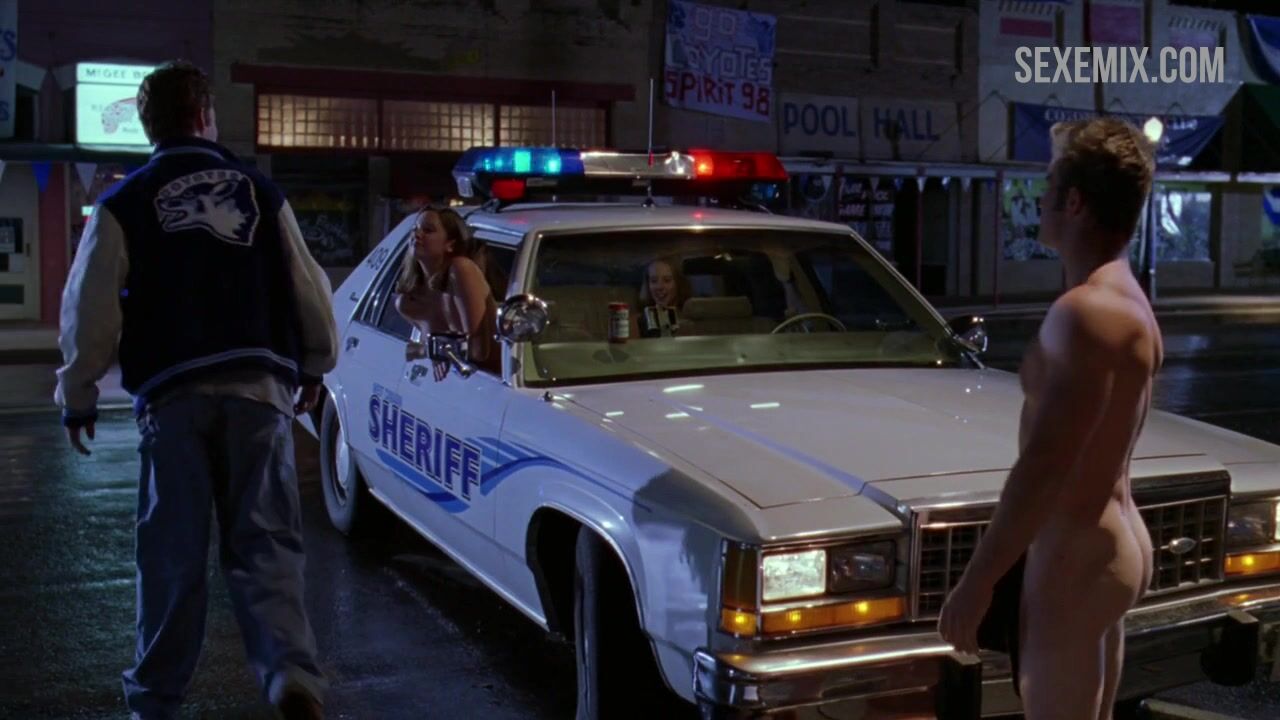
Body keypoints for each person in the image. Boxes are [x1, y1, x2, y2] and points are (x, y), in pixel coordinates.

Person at [53, 61, 336, 720]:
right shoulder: (260, 192)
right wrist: (316, 363)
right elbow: (308, 287)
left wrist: (79, 393)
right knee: (267, 544)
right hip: (259, 390)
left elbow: (89, 308)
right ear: (207, 116)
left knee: (171, 557)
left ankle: (155, 701)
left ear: (148, 126)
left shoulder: (125, 202)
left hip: (174, 395)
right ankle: (290, 675)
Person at [938, 117, 1161, 719]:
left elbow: (1044, 466)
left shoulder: (1085, 312)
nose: (1038, 199)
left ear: (1075, 202)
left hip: (1076, 553)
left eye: (1048, 185)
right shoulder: (1125, 297)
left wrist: (978, 581)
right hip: (1104, 541)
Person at [395, 207, 499, 379]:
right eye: (415, 229)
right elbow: (428, 346)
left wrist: (429, 350)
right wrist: (434, 351)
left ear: (450, 244)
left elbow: (478, 351)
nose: (417, 234)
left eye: (428, 230)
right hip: (459, 383)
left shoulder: (461, 269)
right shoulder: (408, 302)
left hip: (495, 379)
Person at [636, 257, 689, 338]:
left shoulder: (691, 318)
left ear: (678, 283)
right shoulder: (640, 321)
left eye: (667, 280)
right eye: (654, 281)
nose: (659, 287)